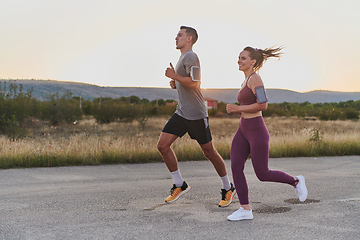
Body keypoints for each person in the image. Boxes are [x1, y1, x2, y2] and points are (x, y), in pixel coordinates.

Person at [157, 26, 236, 207]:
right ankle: (180, 184)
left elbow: (195, 83)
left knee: (209, 152)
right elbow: (187, 82)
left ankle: (228, 187)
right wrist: (176, 82)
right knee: (162, 146)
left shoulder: (191, 56)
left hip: (196, 115)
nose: (176, 37)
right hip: (182, 112)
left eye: (180, 35)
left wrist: (175, 76)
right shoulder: (183, 57)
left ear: (190, 39)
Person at [226, 46, 308, 221]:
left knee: (263, 173)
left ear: (253, 62)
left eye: (243, 58)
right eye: (238, 58)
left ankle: (296, 181)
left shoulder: (255, 79)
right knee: (235, 166)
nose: (239, 61)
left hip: (256, 130)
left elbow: (263, 105)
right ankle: (245, 209)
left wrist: (237, 108)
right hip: (243, 129)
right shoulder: (245, 79)